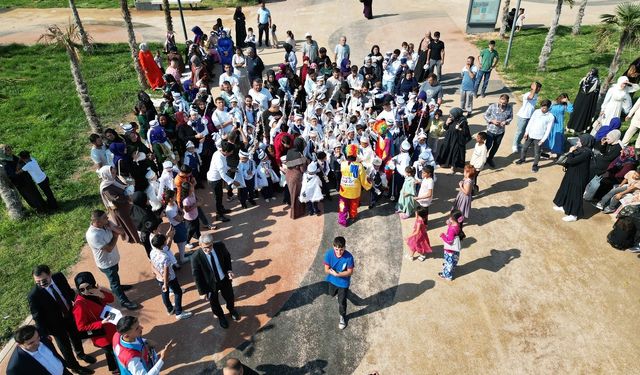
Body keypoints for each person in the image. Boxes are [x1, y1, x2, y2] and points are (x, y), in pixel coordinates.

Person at [29, 265, 95, 374]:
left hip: (69, 314)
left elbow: (68, 291)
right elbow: (37, 316)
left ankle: (80, 354)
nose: (41, 284)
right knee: (66, 348)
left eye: (44, 280)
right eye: (37, 282)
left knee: (76, 336)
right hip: (54, 325)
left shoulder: (59, 277)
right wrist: (43, 334)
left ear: (50, 274)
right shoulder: (34, 295)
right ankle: (75, 367)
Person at [86, 210, 139, 310]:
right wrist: (115, 236)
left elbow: (122, 231)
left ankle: (117, 287)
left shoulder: (106, 224)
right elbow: (109, 249)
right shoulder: (93, 235)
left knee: (115, 277)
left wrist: (112, 227)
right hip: (107, 264)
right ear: (97, 222)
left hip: (113, 260)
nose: (108, 219)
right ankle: (124, 301)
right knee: (114, 281)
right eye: (105, 218)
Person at [72, 271, 119, 374]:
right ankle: (115, 370)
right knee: (110, 352)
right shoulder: (79, 305)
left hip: (111, 328)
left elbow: (111, 299)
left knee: (115, 348)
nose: (85, 291)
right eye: (81, 289)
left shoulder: (97, 291)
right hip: (102, 335)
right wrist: (101, 323)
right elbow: (81, 327)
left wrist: (100, 293)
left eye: (88, 287)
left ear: (93, 284)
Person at [191, 234, 240, 329]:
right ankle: (221, 316)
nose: (208, 249)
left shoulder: (220, 246)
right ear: (200, 245)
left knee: (230, 297)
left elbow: (227, 257)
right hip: (210, 285)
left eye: (210, 246)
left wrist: (229, 270)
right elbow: (196, 276)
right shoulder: (195, 257)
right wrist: (202, 292)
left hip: (224, 279)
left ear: (213, 243)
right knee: (214, 303)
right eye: (206, 247)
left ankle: (231, 310)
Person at [553, 134, 596, 222]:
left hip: (579, 177)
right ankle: (563, 205)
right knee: (566, 189)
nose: (577, 142)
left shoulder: (586, 152)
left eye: (579, 141)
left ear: (585, 142)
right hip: (572, 174)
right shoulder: (581, 150)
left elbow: (571, 160)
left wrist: (571, 152)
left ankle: (574, 215)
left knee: (575, 194)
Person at [150, 234, 194, 320]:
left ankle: (170, 309)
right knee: (178, 292)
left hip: (160, 279)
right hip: (170, 278)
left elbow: (151, 265)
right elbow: (166, 272)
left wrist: (160, 277)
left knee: (164, 293)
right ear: (162, 244)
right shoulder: (165, 257)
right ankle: (179, 312)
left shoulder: (152, 252)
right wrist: (166, 283)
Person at [7, 325, 73, 375]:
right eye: (31, 343)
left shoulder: (41, 337)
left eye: (37, 338)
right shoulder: (14, 367)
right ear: (19, 344)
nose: (37, 343)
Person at [1, 144, 46, 212]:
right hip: (20, 182)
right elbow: (12, 174)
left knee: (35, 192)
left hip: (26, 178)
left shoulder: (13, 157)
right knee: (29, 196)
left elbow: (22, 163)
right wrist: (22, 170)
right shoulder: (5, 162)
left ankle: (43, 205)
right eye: (7, 150)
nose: (10, 151)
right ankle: (39, 209)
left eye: (9, 149)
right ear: (2, 153)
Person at [323, 236, 354, 330]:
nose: (339, 252)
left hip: (343, 283)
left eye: (341, 249)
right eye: (336, 249)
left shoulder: (349, 257)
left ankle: (342, 317)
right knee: (331, 293)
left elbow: (350, 272)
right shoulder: (328, 254)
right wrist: (332, 273)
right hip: (332, 280)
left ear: (344, 247)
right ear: (333, 247)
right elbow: (326, 270)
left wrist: (338, 274)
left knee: (342, 302)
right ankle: (340, 295)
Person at [515, 99, 554, 173]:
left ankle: (535, 165)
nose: (543, 109)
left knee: (537, 152)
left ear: (548, 108)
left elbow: (548, 130)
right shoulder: (536, 112)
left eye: (545, 108)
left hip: (539, 137)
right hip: (530, 134)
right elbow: (530, 122)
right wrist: (526, 132)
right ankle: (522, 159)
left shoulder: (551, 117)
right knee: (524, 148)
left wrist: (543, 140)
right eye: (542, 107)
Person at [338, 144, 372, 226]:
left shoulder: (342, 164)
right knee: (353, 205)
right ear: (356, 154)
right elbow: (363, 180)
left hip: (343, 190)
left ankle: (342, 220)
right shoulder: (359, 166)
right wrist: (369, 185)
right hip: (354, 191)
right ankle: (352, 217)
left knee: (342, 205)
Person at [207, 141, 240, 222]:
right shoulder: (219, 159)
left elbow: (225, 166)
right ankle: (219, 215)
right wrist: (233, 181)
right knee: (217, 198)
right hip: (214, 180)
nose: (232, 152)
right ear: (226, 151)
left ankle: (221, 209)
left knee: (220, 195)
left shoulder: (219, 153)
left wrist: (230, 169)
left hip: (217, 179)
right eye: (231, 151)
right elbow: (223, 175)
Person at [483, 94, 513, 168]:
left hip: (500, 131)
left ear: (507, 102)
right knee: (488, 146)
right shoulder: (492, 106)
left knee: (496, 146)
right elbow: (485, 115)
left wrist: (505, 122)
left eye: (504, 103)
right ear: (499, 100)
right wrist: (492, 121)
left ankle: (490, 159)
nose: (502, 104)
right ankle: (483, 159)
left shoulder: (509, 108)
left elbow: (510, 117)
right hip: (491, 130)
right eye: (501, 103)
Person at [567, 68, 600, 133]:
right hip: (587, 100)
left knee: (580, 112)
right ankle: (575, 127)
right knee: (579, 112)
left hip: (583, 99)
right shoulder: (594, 81)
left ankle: (576, 127)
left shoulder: (589, 80)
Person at [512, 81, 542, 153]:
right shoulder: (527, 94)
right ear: (534, 88)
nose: (539, 90)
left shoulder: (536, 95)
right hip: (523, 116)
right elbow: (530, 97)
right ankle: (514, 145)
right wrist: (533, 89)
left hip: (530, 116)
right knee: (519, 131)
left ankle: (518, 143)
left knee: (525, 131)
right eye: (538, 88)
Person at [285, 137, 309, 219]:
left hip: (288, 175)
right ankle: (296, 213)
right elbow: (303, 169)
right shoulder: (299, 154)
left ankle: (295, 212)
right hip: (296, 177)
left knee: (292, 194)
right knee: (297, 195)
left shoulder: (289, 151)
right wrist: (306, 161)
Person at [439, 210, 465, 281]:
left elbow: (449, 241)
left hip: (449, 250)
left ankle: (447, 275)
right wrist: (449, 224)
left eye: (450, 217)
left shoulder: (451, 229)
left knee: (448, 263)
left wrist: (443, 236)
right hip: (455, 249)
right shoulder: (458, 225)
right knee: (453, 260)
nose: (449, 218)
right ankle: (452, 267)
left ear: (453, 219)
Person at [545, 93, 573, 158]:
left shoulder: (564, 105)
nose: (564, 100)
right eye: (563, 98)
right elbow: (546, 109)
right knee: (550, 135)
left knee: (558, 137)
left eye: (565, 98)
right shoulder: (553, 103)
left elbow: (570, 110)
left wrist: (568, 102)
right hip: (551, 122)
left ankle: (557, 152)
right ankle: (550, 148)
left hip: (559, 124)